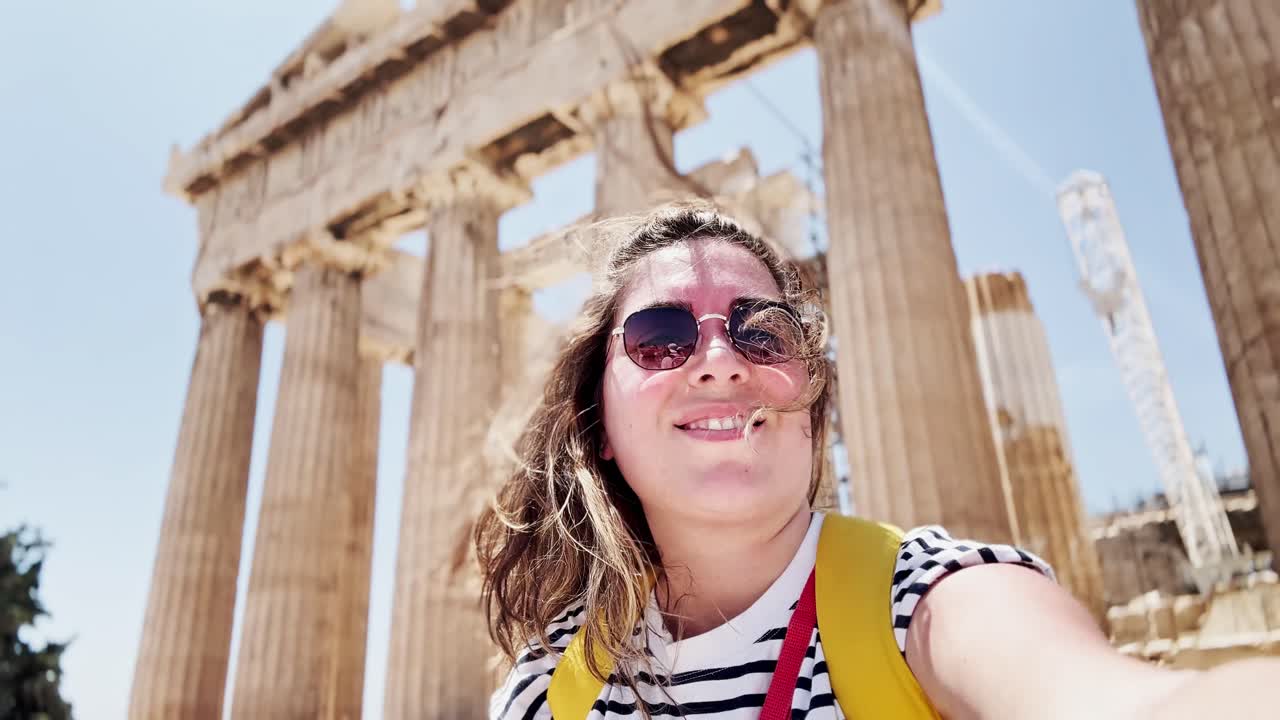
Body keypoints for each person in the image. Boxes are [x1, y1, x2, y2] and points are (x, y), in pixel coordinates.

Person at [475, 203, 1277, 719]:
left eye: (764, 331)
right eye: (660, 338)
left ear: (813, 400)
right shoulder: (547, 691)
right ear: (599, 418)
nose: (718, 360)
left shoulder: (925, 601)